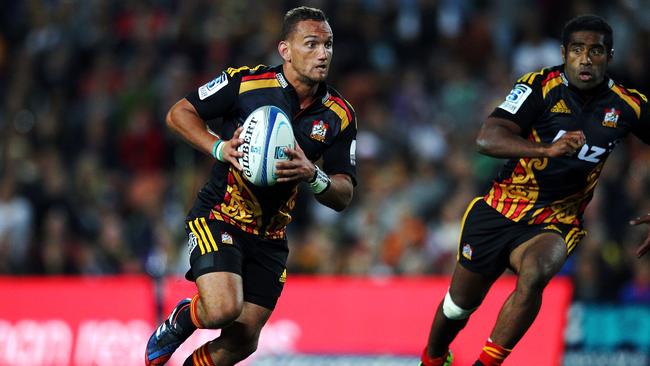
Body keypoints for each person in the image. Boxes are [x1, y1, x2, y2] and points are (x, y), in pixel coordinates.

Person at [420, 14, 650, 366]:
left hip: (556, 220)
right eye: (577, 50)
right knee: (459, 305)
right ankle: (433, 357)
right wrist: (546, 150)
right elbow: (487, 137)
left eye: (596, 51)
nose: (586, 59)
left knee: (535, 274)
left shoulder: (628, 105)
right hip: (500, 208)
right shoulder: (539, 85)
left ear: (610, 56)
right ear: (564, 52)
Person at [145, 6, 357, 366]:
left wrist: (314, 175)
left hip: (271, 236)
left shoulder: (339, 115)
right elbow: (178, 113)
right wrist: (218, 146)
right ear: (285, 50)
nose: (323, 54)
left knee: (243, 341)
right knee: (222, 309)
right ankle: (185, 316)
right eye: (311, 44)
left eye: (329, 45)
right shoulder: (244, 83)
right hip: (219, 216)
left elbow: (344, 193)